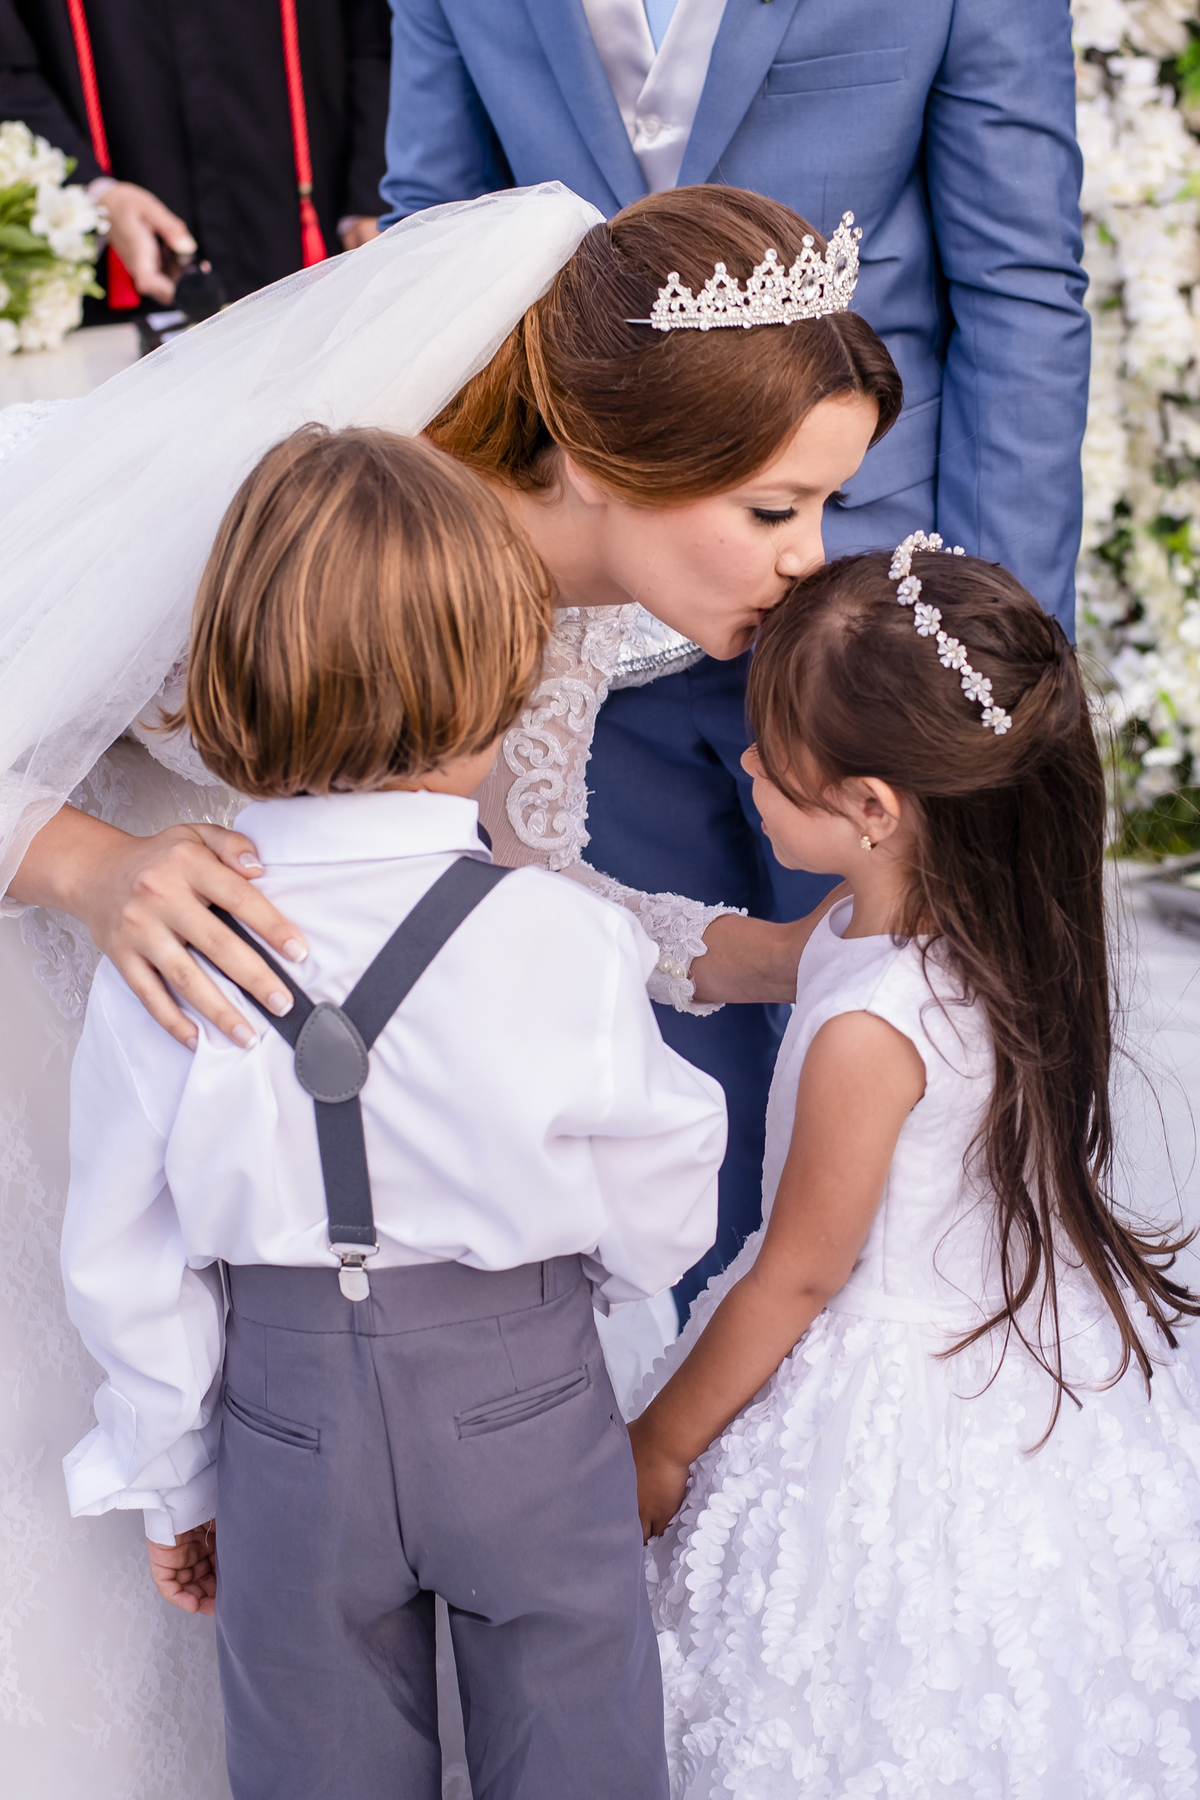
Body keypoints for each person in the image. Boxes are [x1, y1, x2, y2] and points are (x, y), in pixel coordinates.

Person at [0, 182, 894, 1784]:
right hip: (154, 998)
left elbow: (514, 908)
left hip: (271, 1209)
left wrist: (771, 954)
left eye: (828, 509)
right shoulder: (296, 526)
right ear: (620, 460)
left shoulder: (561, 616)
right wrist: (84, 864)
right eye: (773, 510)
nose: (805, 563)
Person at [379, 0, 1090, 1312]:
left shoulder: (817, 551)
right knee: (656, 1088)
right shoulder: (397, 603)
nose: (798, 548)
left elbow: (1020, 271)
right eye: (783, 519)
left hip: (878, 609)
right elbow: (437, 231)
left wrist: (973, 660)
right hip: (576, 545)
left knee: (917, 1062)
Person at [61, 423, 726, 1800]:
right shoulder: (559, 933)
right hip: (528, 1392)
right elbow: (668, 1167)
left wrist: (177, 1477)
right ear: (500, 681)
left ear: (235, 678)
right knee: (583, 1750)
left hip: (287, 1417)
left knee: (314, 1767)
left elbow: (123, 1249)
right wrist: (606, 1312)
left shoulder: (166, 941)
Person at [628, 536, 1200, 1796]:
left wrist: (661, 1446)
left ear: (875, 809)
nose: (750, 768)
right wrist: (572, 921)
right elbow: (743, 959)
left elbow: (795, 1279)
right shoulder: (964, 929)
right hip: (1020, 1361)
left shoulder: (870, 1032)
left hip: (884, 1402)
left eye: (773, 759)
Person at [0, 0, 392, 306]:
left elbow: (379, 34)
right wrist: (93, 191)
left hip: (315, 241)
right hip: (123, 256)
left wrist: (374, 192)